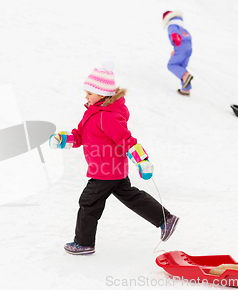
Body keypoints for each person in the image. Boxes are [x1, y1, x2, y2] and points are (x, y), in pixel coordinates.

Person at [49, 61, 179, 255]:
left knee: (88, 203)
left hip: (105, 170)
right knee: (130, 196)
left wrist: (142, 161)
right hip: (110, 169)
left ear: (102, 94)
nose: (86, 96)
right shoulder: (92, 113)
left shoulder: (107, 117)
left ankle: (84, 243)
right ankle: (165, 219)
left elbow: (127, 140)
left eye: (90, 93)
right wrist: (63, 140)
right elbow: (79, 136)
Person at [163, 10, 193, 96]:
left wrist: (176, 42)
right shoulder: (182, 28)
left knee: (172, 65)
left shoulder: (172, 25)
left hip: (180, 47)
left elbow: (175, 34)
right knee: (181, 67)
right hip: (188, 48)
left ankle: (185, 76)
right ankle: (186, 89)